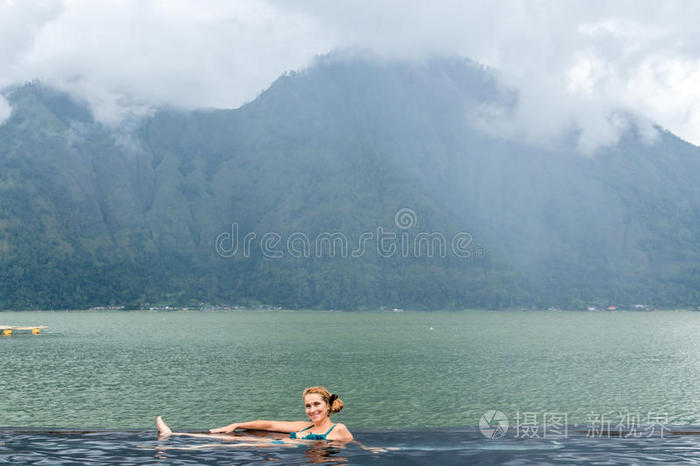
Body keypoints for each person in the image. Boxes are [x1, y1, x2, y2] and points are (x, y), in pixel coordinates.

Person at [156, 386, 353, 443]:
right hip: (276, 447)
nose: (312, 410)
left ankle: (173, 437)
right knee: (225, 440)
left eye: (316, 404)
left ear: (328, 406)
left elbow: (351, 444)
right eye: (308, 406)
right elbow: (268, 425)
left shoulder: (338, 429)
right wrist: (236, 424)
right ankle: (173, 435)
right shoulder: (304, 426)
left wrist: (371, 450)